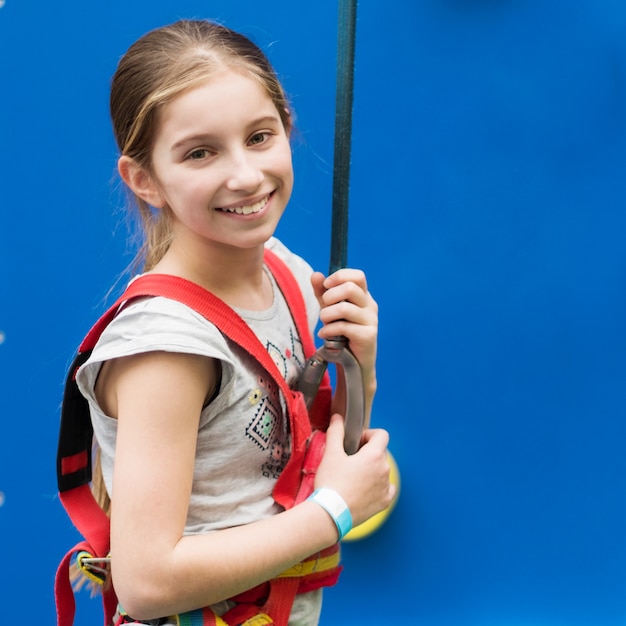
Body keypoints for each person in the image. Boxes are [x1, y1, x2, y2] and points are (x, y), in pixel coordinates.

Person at [73, 18, 394, 626]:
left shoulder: (290, 274)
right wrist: (334, 511)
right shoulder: (167, 347)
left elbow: (310, 455)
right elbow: (145, 582)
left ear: (287, 128)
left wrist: (361, 371)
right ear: (144, 180)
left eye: (259, 136)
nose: (245, 175)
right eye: (200, 152)